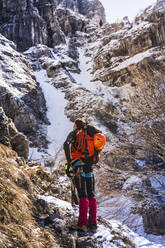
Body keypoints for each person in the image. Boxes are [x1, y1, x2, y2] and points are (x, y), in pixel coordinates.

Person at [63, 118, 105, 233]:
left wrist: (69, 161)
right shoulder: (90, 135)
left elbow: (66, 145)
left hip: (78, 167)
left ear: (76, 125)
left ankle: (82, 224)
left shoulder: (75, 133)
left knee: (82, 194)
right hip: (89, 166)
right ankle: (93, 223)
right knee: (91, 194)